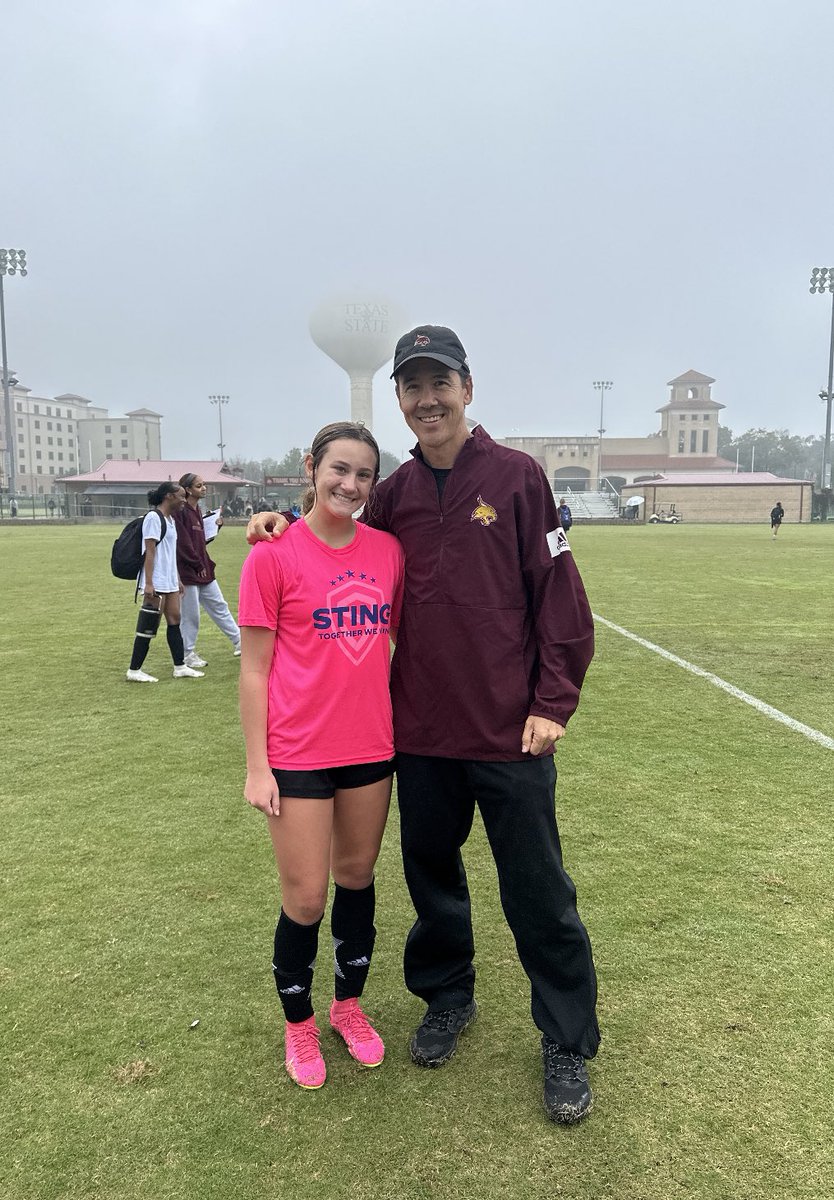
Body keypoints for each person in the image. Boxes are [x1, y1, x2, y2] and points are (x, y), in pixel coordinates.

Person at [248, 325, 599, 1123]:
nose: (427, 399)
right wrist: (273, 520)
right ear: (400, 401)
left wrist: (551, 702)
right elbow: (331, 532)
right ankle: (447, 997)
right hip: (418, 736)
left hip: (512, 734)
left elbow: (563, 603)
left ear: (468, 389)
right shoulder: (397, 493)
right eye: (412, 387)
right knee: (432, 882)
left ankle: (567, 1040)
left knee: (538, 893)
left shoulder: (518, 479)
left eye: (440, 383)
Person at [239, 422, 405, 1090]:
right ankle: (299, 1023)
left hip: (371, 748)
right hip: (298, 753)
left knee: (357, 879)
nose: (350, 485)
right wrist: (257, 766)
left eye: (365, 474)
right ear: (311, 467)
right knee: (306, 898)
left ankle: (348, 1008)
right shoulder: (271, 555)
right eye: (339, 469)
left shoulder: (389, 551)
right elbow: (254, 671)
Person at [125, 483, 206, 683]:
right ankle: (134, 670)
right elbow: (150, 551)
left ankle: (180, 666)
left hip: (169, 580)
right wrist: (149, 583)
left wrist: (177, 579)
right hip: (156, 580)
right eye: (180, 496)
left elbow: (171, 554)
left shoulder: (171, 520)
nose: (183, 501)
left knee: (174, 620)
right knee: (148, 624)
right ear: (169, 496)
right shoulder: (154, 518)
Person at [175, 473, 241, 668]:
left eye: (203, 485)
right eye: (199, 486)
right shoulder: (181, 511)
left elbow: (200, 541)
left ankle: (239, 641)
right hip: (189, 571)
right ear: (188, 490)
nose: (203, 488)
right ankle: (187, 653)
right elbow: (183, 544)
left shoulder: (196, 510)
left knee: (219, 605)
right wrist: (196, 565)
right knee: (190, 614)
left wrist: (215, 528)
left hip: (203, 568)